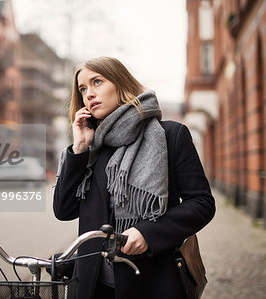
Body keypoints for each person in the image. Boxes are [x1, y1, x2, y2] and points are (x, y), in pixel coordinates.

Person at [53, 56, 215, 299]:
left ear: (121, 84)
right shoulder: (91, 148)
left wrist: (148, 233)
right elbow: (63, 210)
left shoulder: (170, 135)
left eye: (97, 82)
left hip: (152, 280)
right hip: (93, 285)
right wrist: (78, 150)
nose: (88, 93)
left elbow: (202, 204)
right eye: (83, 88)